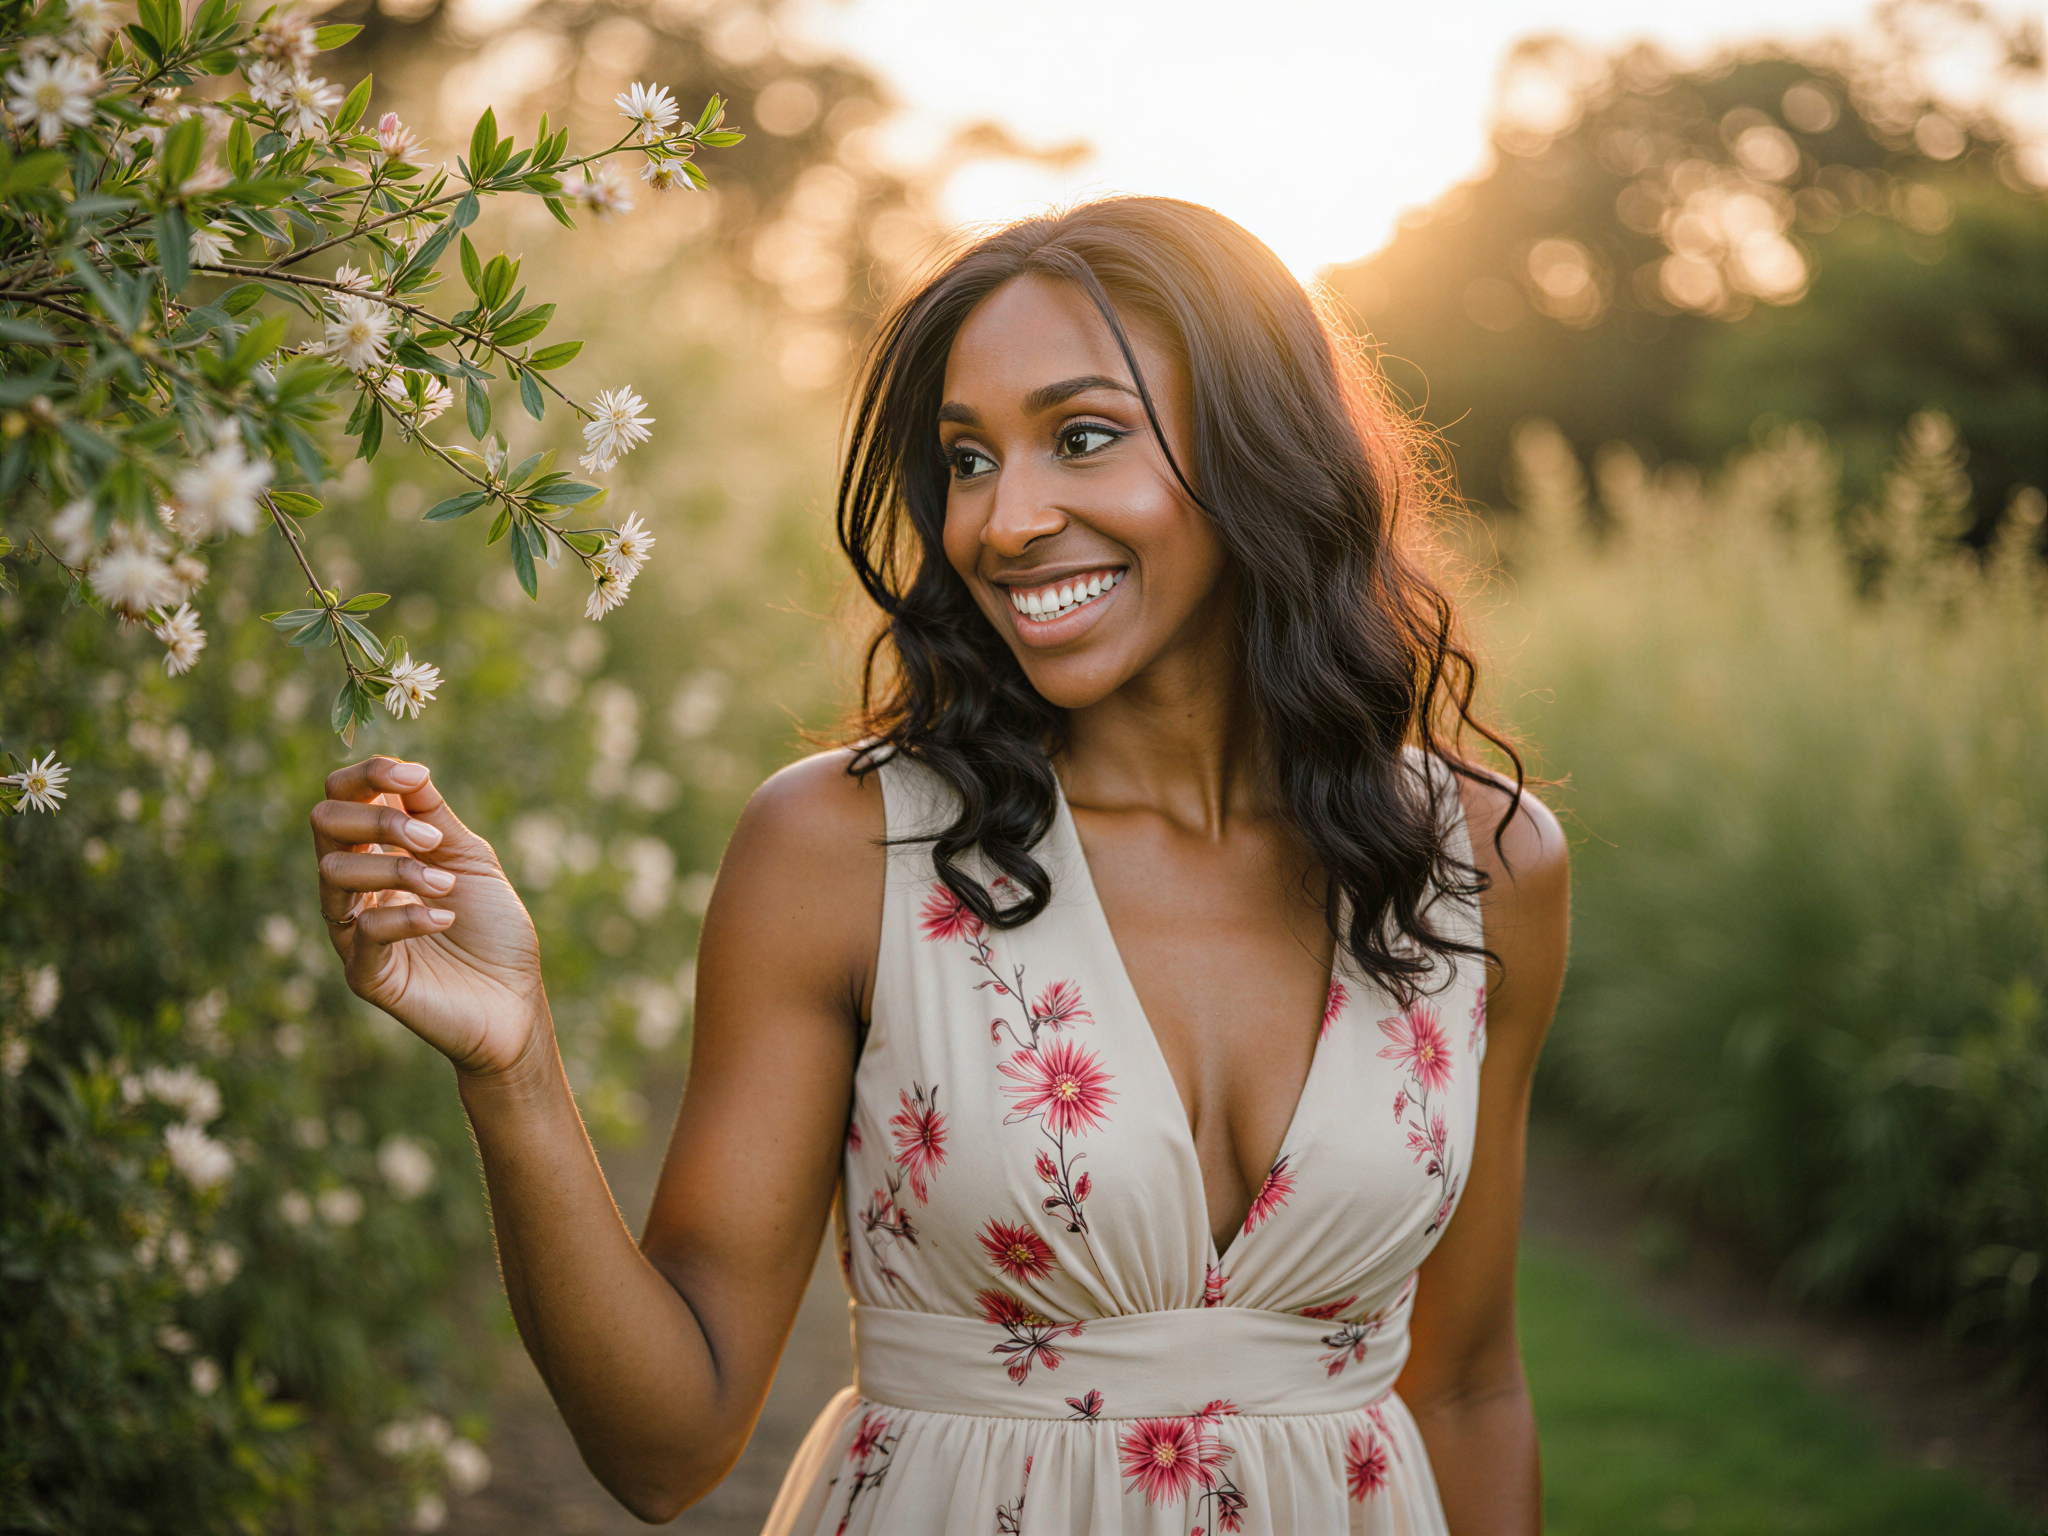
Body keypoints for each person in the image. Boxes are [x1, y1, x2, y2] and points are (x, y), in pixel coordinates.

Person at [310, 197, 1568, 1535]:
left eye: (1081, 437)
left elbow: (1468, 1389)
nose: (1003, 522)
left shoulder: (1478, 864)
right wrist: (513, 1068)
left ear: (1263, 450)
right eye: (968, 459)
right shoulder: (845, 851)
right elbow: (664, 1450)